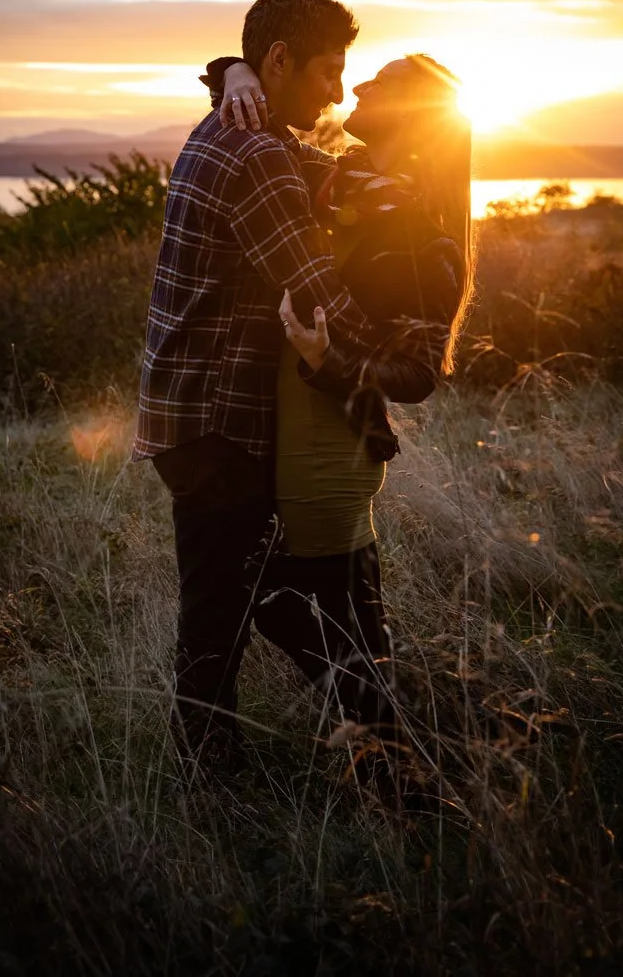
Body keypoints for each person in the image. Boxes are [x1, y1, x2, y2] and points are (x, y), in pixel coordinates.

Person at [207, 50, 473, 788]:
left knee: (283, 603)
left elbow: (417, 375)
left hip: (330, 449)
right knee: (353, 621)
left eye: (379, 84)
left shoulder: (419, 229)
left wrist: (327, 362)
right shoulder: (345, 182)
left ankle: (409, 763)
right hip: (298, 438)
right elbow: (257, 117)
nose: (356, 86)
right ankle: (410, 768)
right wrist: (234, 69)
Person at [133, 0, 379, 772]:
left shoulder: (236, 127)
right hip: (215, 420)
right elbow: (317, 292)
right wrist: (401, 350)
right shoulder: (257, 154)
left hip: (194, 413)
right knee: (227, 612)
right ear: (278, 61)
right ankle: (227, 778)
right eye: (328, 72)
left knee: (248, 601)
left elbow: (323, 165)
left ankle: (373, 726)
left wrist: (226, 71)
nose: (339, 93)